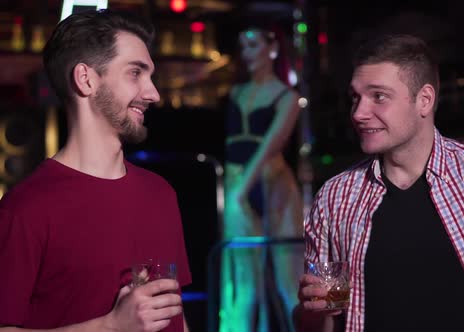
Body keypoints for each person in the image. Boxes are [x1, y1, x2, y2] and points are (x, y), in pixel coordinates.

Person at [294, 34, 464, 331]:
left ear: (424, 100)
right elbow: (318, 320)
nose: (358, 113)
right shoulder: (336, 197)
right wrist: (317, 311)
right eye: (355, 97)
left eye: (379, 96)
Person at [0, 9, 191, 332]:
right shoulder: (26, 208)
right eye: (135, 73)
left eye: (150, 76)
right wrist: (112, 326)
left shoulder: (161, 193)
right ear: (86, 79)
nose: (153, 93)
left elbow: (175, 318)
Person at [221, 25, 303, 332]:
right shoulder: (235, 93)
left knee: (288, 281)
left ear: (272, 48)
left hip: (274, 184)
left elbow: (270, 146)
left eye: (253, 45)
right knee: (241, 284)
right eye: (243, 46)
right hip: (235, 184)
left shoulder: (287, 97)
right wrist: (237, 191)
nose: (246, 53)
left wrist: (242, 191)